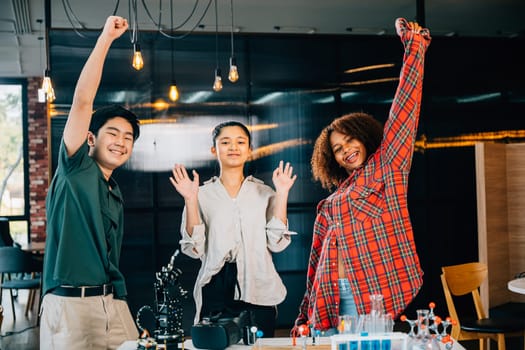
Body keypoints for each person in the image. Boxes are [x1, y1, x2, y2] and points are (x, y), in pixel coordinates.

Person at [295, 18, 431, 333]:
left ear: (363, 136)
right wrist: (306, 310)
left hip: (368, 294)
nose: (346, 150)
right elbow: (316, 260)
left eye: (350, 140)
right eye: (338, 149)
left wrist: (415, 46)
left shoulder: (388, 167)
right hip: (329, 294)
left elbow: (404, 109)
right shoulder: (339, 194)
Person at [40, 16, 140, 349]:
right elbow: (83, 101)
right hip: (69, 306)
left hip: (112, 302)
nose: (121, 141)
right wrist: (105, 39)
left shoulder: (114, 191)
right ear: (90, 139)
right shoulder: (75, 167)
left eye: (128, 137)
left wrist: (120, 301)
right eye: (112, 133)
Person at [170, 121, 297, 337]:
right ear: (214, 150)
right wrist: (191, 199)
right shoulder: (201, 193)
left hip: (259, 285)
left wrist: (282, 193)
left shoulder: (265, 192)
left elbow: (278, 243)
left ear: (249, 150)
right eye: (225, 142)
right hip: (216, 286)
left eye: (240, 142)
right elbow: (194, 249)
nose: (233, 147)